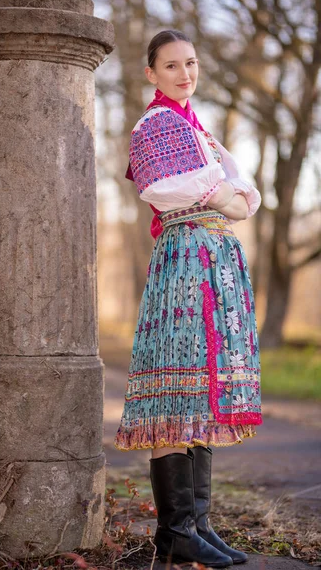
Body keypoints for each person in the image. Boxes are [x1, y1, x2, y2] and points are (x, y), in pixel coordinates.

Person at [113, 30, 262, 568]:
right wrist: (220, 191)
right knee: (177, 390)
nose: (184, 73)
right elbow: (161, 186)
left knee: (199, 390)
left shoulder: (199, 130)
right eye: (171, 65)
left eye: (191, 63)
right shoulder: (154, 125)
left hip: (212, 258)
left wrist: (225, 191)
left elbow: (246, 195)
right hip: (184, 262)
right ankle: (175, 530)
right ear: (151, 73)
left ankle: (196, 524)